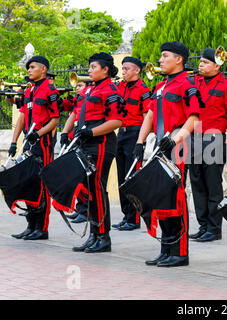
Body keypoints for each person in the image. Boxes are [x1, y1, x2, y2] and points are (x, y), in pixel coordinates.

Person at [133, 41, 200, 267]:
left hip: (178, 147)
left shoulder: (188, 85)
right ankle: (166, 248)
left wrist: (175, 139)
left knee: (175, 198)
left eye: (165, 56)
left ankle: (179, 252)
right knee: (161, 196)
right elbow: (150, 115)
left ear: (179, 59)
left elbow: (193, 119)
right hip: (160, 147)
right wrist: (140, 142)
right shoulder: (161, 86)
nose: (160, 60)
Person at [61, 52, 124, 253]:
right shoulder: (89, 90)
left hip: (102, 144)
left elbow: (116, 121)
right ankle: (94, 236)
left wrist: (91, 131)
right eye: (89, 67)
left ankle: (103, 238)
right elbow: (75, 113)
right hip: (86, 144)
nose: (89, 71)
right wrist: (67, 133)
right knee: (90, 192)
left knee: (97, 190)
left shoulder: (111, 90)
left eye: (93, 67)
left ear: (105, 69)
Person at [188, 48, 227, 242]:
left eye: (205, 62)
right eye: (200, 62)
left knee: (212, 185)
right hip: (195, 137)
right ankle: (203, 225)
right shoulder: (194, 83)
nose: (200, 65)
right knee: (197, 184)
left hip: (214, 138)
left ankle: (214, 228)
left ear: (217, 65)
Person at [8, 55, 60, 241]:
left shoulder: (50, 91)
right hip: (28, 143)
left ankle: (42, 228)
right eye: (28, 67)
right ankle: (30, 226)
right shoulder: (30, 91)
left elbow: (55, 120)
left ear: (43, 69)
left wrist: (38, 134)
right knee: (28, 183)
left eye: (32, 67)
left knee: (41, 185)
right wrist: (14, 142)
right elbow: (22, 117)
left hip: (43, 144)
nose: (29, 70)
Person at [112, 57, 151, 231]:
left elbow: (146, 119)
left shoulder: (143, 90)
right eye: (123, 68)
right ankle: (126, 215)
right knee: (121, 176)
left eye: (127, 69)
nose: (124, 72)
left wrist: (140, 142)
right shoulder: (119, 87)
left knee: (131, 177)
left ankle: (134, 218)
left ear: (137, 71)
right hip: (121, 133)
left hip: (135, 133)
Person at [60, 79, 91, 223]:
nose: (77, 88)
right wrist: (65, 133)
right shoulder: (80, 100)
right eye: (77, 85)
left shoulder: (89, 98)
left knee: (85, 179)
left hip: (85, 140)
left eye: (80, 85)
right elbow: (73, 115)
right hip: (76, 139)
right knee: (76, 178)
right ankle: (80, 208)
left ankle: (86, 210)